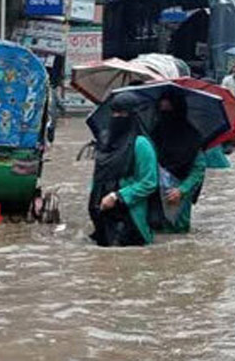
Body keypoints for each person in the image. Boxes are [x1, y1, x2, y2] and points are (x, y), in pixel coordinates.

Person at [88, 92, 158, 247]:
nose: (116, 117)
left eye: (122, 113)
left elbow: (149, 182)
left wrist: (117, 196)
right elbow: (98, 175)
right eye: (114, 112)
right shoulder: (105, 141)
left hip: (130, 217)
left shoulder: (141, 144)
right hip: (103, 213)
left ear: (132, 116)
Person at [149, 91, 206, 234]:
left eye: (169, 110)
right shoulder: (154, 133)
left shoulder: (192, 137)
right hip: (155, 195)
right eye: (162, 110)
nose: (165, 115)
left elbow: (198, 170)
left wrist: (181, 190)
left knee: (177, 232)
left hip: (180, 195)